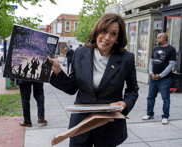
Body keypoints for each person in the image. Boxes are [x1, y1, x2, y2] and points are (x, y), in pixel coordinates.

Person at [47, 13, 139, 147]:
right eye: (104, 31)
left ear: (117, 38)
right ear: (97, 31)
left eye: (113, 34)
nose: (107, 37)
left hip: (109, 127)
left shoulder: (127, 59)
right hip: (81, 125)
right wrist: (58, 72)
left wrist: (124, 104)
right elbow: (72, 87)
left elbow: (132, 90)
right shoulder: (80, 53)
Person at [142, 33, 176, 125]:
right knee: (150, 97)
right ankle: (149, 114)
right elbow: (151, 62)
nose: (157, 39)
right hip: (153, 78)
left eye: (158, 38)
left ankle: (165, 116)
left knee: (165, 99)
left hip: (164, 79)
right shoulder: (156, 49)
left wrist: (161, 75)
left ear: (164, 38)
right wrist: (151, 73)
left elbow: (171, 64)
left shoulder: (171, 49)